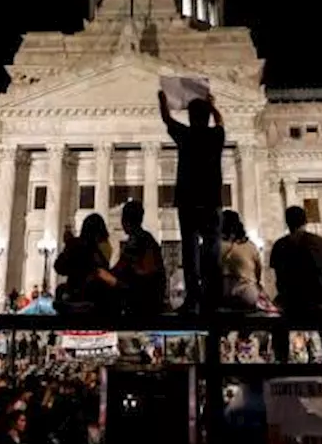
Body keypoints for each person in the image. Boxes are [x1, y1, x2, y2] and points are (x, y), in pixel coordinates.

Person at [158, 87, 225, 313]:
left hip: (188, 202)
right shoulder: (216, 136)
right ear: (207, 117)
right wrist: (213, 106)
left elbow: (166, 119)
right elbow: (220, 122)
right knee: (212, 251)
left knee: (190, 251)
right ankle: (213, 299)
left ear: (190, 117)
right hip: (212, 201)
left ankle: (193, 299)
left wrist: (163, 99)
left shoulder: (185, 135)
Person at [269, 205, 322, 362]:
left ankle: (282, 361)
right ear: (305, 221)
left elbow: (278, 281)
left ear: (287, 222)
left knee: (275, 318)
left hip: (290, 306)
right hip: (321, 306)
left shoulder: (279, 245)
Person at [112, 200, 167, 314]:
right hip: (153, 295)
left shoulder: (136, 240)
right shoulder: (146, 238)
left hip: (143, 297)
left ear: (125, 220)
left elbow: (120, 269)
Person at [53, 214, 117, 312]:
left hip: (77, 294)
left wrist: (68, 244)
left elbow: (59, 267)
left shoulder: (76, 245)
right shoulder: (102, 249)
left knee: (60, 291)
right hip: (95, 297)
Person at [220, 210, 262, 310]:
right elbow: (258, 271)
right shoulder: (250, 246)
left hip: (221, 293)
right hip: (247, 293)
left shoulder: (215, 247)